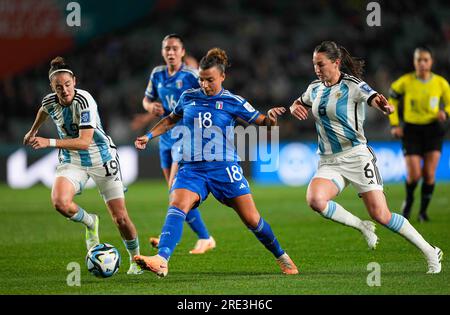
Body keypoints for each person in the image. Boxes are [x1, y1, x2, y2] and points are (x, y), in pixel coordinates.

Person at [133, 48, 298, 277]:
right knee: (177, 204)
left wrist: (271, 118)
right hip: (192, 168)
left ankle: (282, 256)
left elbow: (264, 123)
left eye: (209, 80)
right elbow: (171, 119)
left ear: (222, 77)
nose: (205, 84)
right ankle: (162, 259)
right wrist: (149, 135)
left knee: (252, 220)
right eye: (201, 79)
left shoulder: (233, 101)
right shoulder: (189, 96)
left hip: (224, 168)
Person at [289, 41, 442, 274]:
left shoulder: (352, 85)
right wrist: (293, 107)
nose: (317, 69)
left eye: (321, 64)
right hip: (329, 161)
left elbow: (373, 97)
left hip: (356, 156)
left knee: (381, 214)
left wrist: (383, 105)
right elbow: (300, 101)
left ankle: (430, 251)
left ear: (336, 63)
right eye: (314, 65)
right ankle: (361, 226)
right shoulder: (315, 88)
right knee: (316, 200)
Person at [23, 57, 143, 275]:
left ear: (74, 82)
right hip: (73, 161)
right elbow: (43, 110)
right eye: (59, 87)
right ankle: (90, 222)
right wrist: (33, 131)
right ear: (52, 87)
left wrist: (47, 141)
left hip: (102, 158)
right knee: (60, 202)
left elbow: (84, 142)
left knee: (121, 218)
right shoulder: (50, 101)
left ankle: (136, 260)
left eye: (67, 85)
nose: (64, 90)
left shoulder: (84, 100)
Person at [132, 34, 216, 254]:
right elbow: (146, 99)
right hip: (165, 139)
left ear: (182, 52)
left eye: (174, 48)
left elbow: (209, 91)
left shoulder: (190, 76)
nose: (170, 52)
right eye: (167, 48)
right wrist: (149, 109)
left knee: (174, 189)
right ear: (162, 52)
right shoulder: (157, 74)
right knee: (174, 191)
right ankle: (204, 237)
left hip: (185, 138)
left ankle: (169, 237)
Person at [388, 46, 450, 222]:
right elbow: (391, 100)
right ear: (414, 62)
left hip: (433, 130)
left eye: (425, 60)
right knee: (414, 175)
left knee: (429, 174)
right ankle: (409, 200)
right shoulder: (405, 82)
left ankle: (423, 212)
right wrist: (394, 124)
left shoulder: (441, 83)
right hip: (411, 131)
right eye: (419, 60)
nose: (422, 63)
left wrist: (445, 112)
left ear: (431, 62)